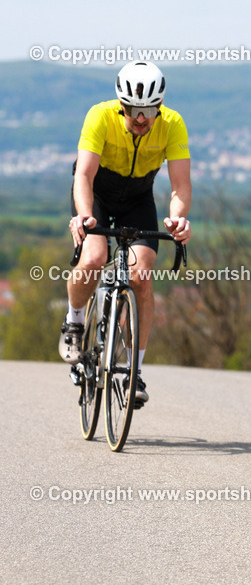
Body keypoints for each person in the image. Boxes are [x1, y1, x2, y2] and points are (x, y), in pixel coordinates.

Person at [59, 61, 192, 406]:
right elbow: (84, 176)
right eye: (134, 110)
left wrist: (178, 219)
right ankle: (74, 320)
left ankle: (134, 371)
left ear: (159, 106)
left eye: (149, 110)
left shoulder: (173, 124)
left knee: (142, 276)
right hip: (97, 194)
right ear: (122, 105)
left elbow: (180, 186)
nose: (142, 118)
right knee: (94, 257)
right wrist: (85, 216)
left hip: (137, 198)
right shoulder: (100, 116)